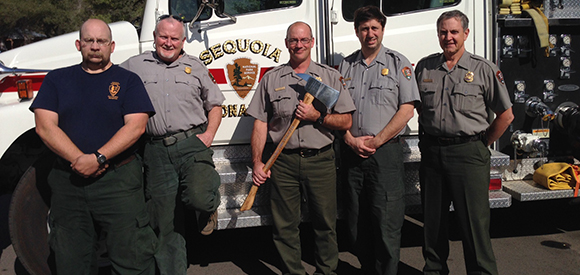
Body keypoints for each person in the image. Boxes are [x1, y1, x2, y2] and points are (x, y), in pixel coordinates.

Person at [30, 19, 158, 274]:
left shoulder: (128, 81)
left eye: (101, 41)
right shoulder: (57, 79)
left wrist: (98, 158)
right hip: (69, 183)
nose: (95, 46)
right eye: (89, 40)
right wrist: (80, 159)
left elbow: (136, 126)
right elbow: (44, 127)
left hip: (118, 182)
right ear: (79, 44)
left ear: (112, 46)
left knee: (132, 256)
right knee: (70, 259)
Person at [247, 21, 355, 275]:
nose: (299, 45)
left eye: (304, 40)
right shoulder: (271, 79)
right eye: (294, 40)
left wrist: (316, 115)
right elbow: (260, 123)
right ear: (286, 43)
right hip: (282, 162)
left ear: (312, 42)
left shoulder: (329, 77)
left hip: (321, 161)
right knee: (284, 227)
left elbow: (346, 121)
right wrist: (257, 162)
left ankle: (326, 271)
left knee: (325, 224)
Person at [120, 14, 224, 275]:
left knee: (200, 196)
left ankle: (209, 209)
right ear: (154, 38)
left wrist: (209, 135)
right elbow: (106, 82)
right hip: (155, 151)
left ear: (183, 40)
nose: (168, 42)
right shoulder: (134, 66)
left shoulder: (196, 66)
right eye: (163, 37)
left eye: (174, 38)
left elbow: (215, 105)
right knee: (164, 224)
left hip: (192, 143)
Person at [415, 10, 514, 275]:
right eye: (444, 32)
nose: (449, 37)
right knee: (433, 223)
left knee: (473, 225)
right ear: (438, 35)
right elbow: (420, 109)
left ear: (466, 34)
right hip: (433, 153)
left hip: (469, 153)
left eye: (454, 32)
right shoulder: (425, 67)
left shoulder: (483, 69)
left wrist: (482, 143)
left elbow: (506, 115)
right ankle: (434, 270)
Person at [338, 6, 420, 275]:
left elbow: (407, 109)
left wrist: (376, 141)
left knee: (386, 223)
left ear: (382, 30)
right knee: (355, 222)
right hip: (352, 154)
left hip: (384, 156)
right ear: (356, 31)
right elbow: (336, 111)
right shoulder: (346, 65)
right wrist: (350, 140)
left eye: (375, 28)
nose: (370, 33)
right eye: (364, 28)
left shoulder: (399, 63)